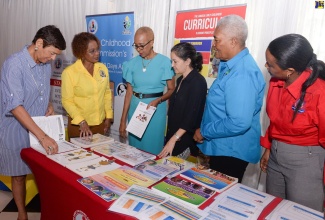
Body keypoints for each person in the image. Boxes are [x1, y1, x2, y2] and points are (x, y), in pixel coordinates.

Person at [0, 25, 66, 220]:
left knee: (43, 172)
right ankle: (22, 214)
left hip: (38, 128)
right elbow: (15, 106)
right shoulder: (14, 64)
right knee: (18, 175)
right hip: (16, 128)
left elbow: (42, 90)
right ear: (39, 43)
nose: (54, 59)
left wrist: (49, 104)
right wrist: (43, 136)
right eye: (52, 53)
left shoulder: (45, 63)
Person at [193, 15, 265, 183]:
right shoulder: (230, 65)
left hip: (232, 150)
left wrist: (205, 131)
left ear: (233, 41)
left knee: (220, 198)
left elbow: (239, 121)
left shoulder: (242, 74)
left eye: (217, 40)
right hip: (223, 146)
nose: (213, 45)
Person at [260, 34, 325, 212]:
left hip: (306, 161)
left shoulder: (319, 92)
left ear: (289, 70)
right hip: (275, 155)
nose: (266, 66)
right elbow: (276, 120)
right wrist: (269, 147)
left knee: (303, 214)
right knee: (275, 209)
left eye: (270, 64)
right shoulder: (275, 82)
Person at [119, 26, 175, 155]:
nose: (138, 50)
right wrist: (123, 121)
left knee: (152, 149)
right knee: (135, 151)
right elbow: (128, 94)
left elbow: (172, 89)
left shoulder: (165, 63)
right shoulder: (131, 64)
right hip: (135, 110)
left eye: (142, 46)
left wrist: (159, 100)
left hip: (154, 111)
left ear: (152, 42)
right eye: (136, 46)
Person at [158, 42, 207, 159]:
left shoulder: (198, 82)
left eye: (175, 61)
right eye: (172, 61)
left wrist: (173, 139)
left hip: (184, 141)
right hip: (174, 137)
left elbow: (190, 117)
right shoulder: (180, 80)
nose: (172, 65)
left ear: (187, 61)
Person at [61, 32, 113, 140]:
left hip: (100, 125)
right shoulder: (70, 73)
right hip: (79, 127)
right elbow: (67, 101)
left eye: (98, 49)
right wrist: (81, 121)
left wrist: (108, 116)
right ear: (81, 52)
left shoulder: (102, 69)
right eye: (92, 51)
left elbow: (107, 94)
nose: (97, 53)